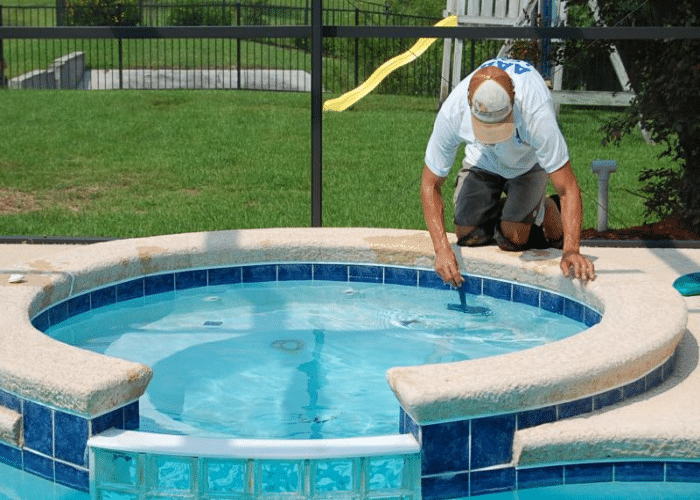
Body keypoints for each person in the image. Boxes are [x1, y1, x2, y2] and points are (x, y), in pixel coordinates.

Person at [421, 58, 596, 287]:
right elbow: (430, 184)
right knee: (467, 235)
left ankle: (546, 208)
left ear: (514, 101)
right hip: (482, 160)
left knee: (513, 238)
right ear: (470, 103)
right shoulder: (453, 112)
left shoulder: (536, 112)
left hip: (527, 165)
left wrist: (571, 250)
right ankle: (522, 211)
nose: (494, 136)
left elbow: (568, 186)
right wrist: (442, 249)